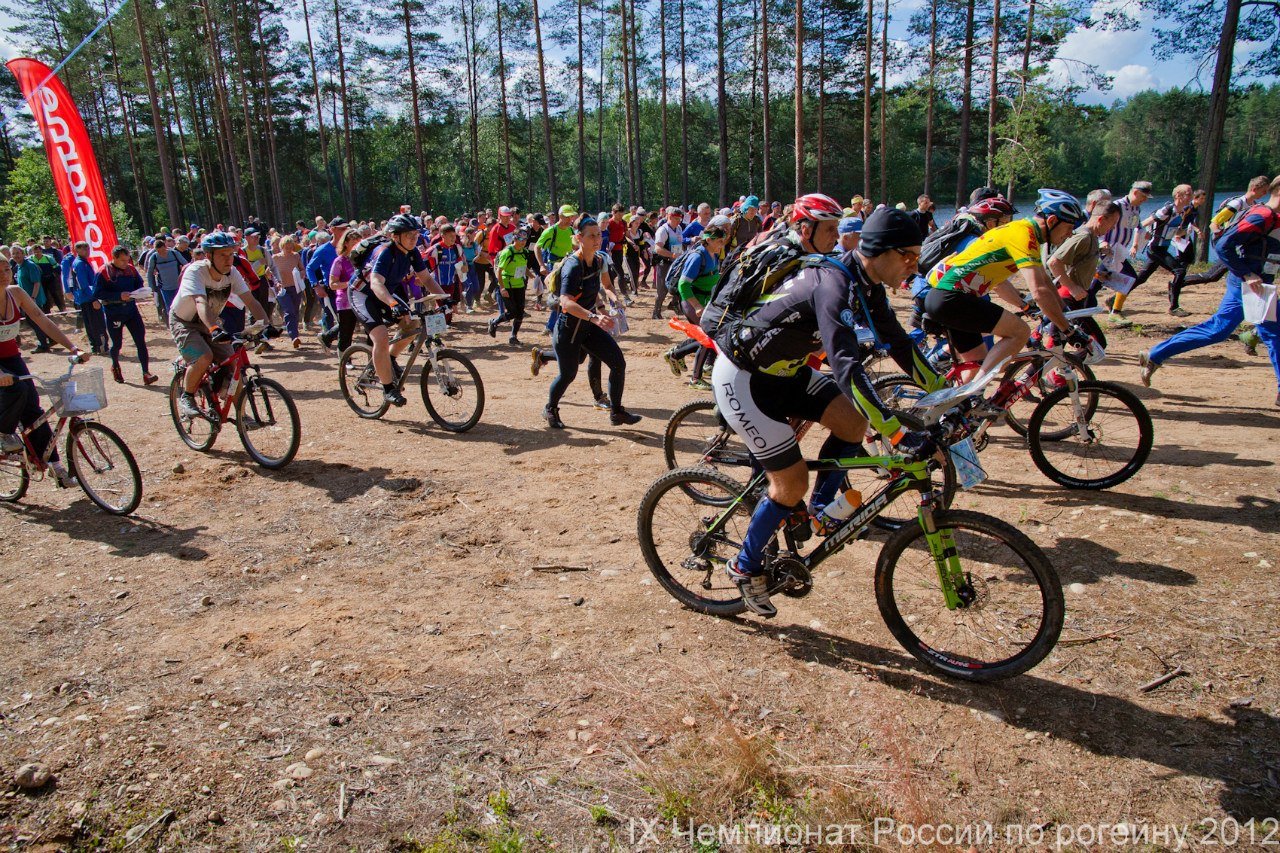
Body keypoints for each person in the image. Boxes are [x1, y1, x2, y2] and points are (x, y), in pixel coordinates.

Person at [710, 197, 942, 618]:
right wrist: (895, 432)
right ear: (879, 251)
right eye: (907, 255)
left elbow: (899, 344)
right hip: (743, 379)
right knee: (791, 483)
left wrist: (947, 394)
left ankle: (819, 510)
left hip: (786, 372)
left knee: (852, 424)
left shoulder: (866, 284)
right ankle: (744, 566)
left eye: (917, 255)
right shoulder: (833, 283)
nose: (915, 263)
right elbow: (846, 366)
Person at [1140, 175, 1280, 406]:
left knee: (1222, 330)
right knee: (1260, 332)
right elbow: (1224, 245)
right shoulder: (1261, 215)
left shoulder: (1272, 216)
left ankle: (1156, 354)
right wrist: (1247, 274)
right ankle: (1156, 354)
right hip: (1249, 285)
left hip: (1258, 284)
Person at [923, 189, 1087, 381]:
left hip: (948, 298)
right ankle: (975, 389)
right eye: (1070, 227)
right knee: (1020, 332)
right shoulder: (1023, 234)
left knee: (976, 362)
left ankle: (961, 399)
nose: (1070, 234)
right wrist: (1068, 330)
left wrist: (1064, 313)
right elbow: (1039, 291)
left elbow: (1045, 281)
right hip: (952, 298)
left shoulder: (1024, 232)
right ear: (1052, 221)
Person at [543, 217, 641, 429]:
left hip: (588, 327)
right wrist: (595, 316)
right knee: (568, 374)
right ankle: (550, 408)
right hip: (569, 328)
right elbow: (566, 302)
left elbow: (606, 285)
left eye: (599, 235)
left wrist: (613, 301)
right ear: (579, 238)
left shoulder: (598, 260)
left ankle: (616, 412)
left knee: (618, 363)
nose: (597, 239)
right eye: (592, 236)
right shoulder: (572, 266)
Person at [170, 232, 277, 419]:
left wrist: (266, 325)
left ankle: (241, 416)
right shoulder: (195, 272)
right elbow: (200, 303)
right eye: (222, 255)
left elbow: (251, 301)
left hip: (210, 321)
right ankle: (187, 397)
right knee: (204, 356)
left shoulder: (232, 273)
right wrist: (214, 329)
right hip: (185, 322)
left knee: (233, 364)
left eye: (231, 254)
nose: (229, 259)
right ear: (208, 255)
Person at [0, 259, 88, 485]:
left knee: (34, 411)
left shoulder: (16, 293)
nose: (3, 274)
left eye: (7, 269)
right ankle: (4, 433)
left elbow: (41, 319)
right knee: (17, 389)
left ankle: (55, 466)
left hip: (11, 357)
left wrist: (73, 348)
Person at [349, 214, 447, 407]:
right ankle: (388, 389)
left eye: (415, 234)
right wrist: (393, 304)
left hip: (386, 292)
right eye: (408, 235)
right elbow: (376, 283)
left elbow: (426, 279)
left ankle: (390, 359)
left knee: (413, 324)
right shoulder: (385, 252)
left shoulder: (412, 252)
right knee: (381, 337)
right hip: (363, 294)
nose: (413, 238)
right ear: (396, 236)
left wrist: (444, 298)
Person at [661, 216, 730, 389]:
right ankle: (695, 378)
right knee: (706, 337)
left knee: (706, 336)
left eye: (723, 241)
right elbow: (683, 285)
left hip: (704, 300)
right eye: (719, 241)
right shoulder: (697, 257)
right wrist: (697, 306)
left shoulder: (713, 254)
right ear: (709, 240)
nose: (722, 245)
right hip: (691, 301)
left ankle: (676, 355)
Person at [1180, 176, 1272, 292]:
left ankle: (1179, 282)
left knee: (1216, 275)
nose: (1265, 194)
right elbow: (1214, 224)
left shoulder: (1253, 205)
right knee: (1213, 275)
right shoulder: (1236, 204)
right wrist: (1224, 243)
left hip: (1234, 245)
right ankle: (1178, 283)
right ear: (1254, 189)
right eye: (1263, 191)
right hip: (1227, 245)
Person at [93, 245, 157, 385]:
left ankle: (146, 373)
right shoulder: (103, 272)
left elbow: (139, 283)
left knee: (140, 341)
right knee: (117, 344)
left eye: (127, 260)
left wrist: (140, 292)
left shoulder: (131, 269)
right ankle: (115, 366)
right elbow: (97, 293)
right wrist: (118, 295)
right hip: (114, 312)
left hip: (131, 311)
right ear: (114, 258)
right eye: (122, 260)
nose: (125, 263)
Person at [1128, 184, 1196, 315]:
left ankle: (1114, 299)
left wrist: (1186, 231)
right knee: (1180, 271)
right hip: (1155, 249)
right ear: (1178, 195)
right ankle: (1174, 307)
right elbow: (1141, 224)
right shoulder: (1167, 210)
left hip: (1163, 248)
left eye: (1191, 194)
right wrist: (1135, 244)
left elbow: (1177, 232)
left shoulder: (1183, 211)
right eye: (1188, 194)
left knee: (1141, 278)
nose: (1191, 197)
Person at [1102, 180, 1153, 314]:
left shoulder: (1136, 209)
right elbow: (1101, 223)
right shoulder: (1116, 206)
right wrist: (1103, 242)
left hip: (1120, 251)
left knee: (1128, 279)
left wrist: (1142, 236)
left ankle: (1112, 304)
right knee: (1129, 278)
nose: (1145, 200)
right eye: (1143, 196)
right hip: (1109, 250)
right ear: (1135, 192)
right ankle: (1115, 311)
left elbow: (1137, 226)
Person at [488, 227, 531, 345]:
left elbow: (523, 266)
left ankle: (513, 337)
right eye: (520, 239)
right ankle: (494, 322)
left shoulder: (524, 252)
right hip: (507, 285)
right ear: (514, 239)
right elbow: (499, 271)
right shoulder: (508, 252)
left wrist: (532, 275)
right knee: (512, 312)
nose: (523, 242)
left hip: (519, 284)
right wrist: (502, 288)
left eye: (525, 239)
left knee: (520, 312)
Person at [69, 242, 108, 356]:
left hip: (85, 298)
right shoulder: (80, 264)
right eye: (84, 249)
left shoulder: (82, 262)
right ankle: (100, 347)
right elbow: (83, 284)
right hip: (88, 298)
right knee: (97, 324)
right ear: (77, 250)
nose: (87, 251)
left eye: (88, 249)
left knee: (91, 324)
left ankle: (96, 347)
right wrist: (94, 299)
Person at [326, 229, 362, 354]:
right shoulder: (339, 261)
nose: (357, 245)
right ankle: (345, 360)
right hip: (345, 302)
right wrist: (349, 284)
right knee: (346, 334)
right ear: (346, 243)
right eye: (353, 243)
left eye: (359, 242)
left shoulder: (361, 260)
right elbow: (332, 284)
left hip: (361, 301)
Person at [12, 246, 51, 353]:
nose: (16, 255)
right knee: (36, 321)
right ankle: (51, 339)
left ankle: (43, 344)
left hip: (34, 300)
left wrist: (33, 298)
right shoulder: (19, 266)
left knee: (36, 322)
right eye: (14, 253)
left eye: (18, 253)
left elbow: (37, 283)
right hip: (25, 300)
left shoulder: (30, 265)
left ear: (23, 253)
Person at [651, 207, 686, 319]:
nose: (679, 221)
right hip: (664, 263)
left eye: (680, 219)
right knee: (662, 289)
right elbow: (657, 249)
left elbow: (680, 243)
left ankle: (674, 304)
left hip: (676, 262)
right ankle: (656, 312)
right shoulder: (663, 230)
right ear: (669, 217)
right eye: (676, 219)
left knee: (678, 285)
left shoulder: (679, 228)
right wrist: (671, 254)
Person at [272, 236, 306, 347]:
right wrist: (276, 282)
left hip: (295, 288)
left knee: (295, 311)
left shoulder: (296, 256)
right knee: (289, 311)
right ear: (282, 246)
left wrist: (302, 273)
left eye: (291, 247)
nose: (289, 249)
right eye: (287, 247)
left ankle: (294, 333)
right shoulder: (275, 258)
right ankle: (294, 336)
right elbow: (269, 273)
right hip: (282, 289)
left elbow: (302, 268)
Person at [146, 234, 187, 323]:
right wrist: (151, 287)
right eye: (158, 251)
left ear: (165, 247)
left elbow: (186, 265)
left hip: (179, 286)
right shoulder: (154, 257)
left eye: (162, 250)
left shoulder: (174, 253)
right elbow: (149, 273)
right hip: (165, 288)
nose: (161, 253)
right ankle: (173, 324)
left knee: (182, 307)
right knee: (170, 308)